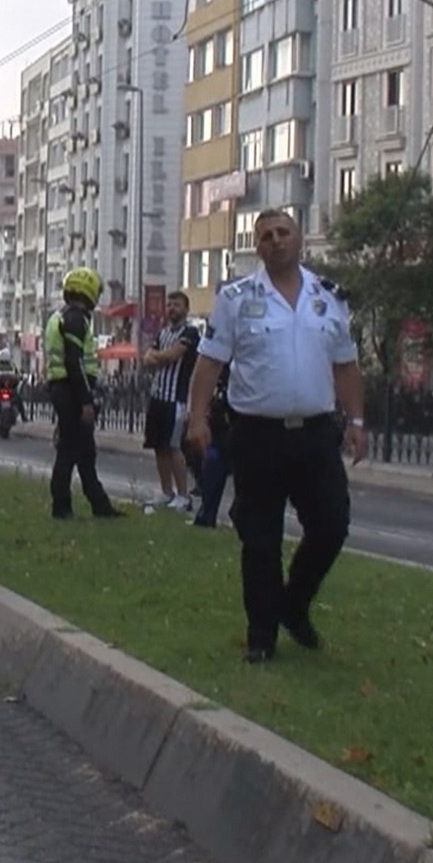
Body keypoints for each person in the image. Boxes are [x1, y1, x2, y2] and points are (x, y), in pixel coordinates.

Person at [185, 209, 365, 663]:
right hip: (256, 435)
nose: (276, 241)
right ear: (257, 247)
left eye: (283, 232)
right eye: (266, 236)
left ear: (299, 238)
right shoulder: (237, 298)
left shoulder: (328, 297)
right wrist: (197, 419)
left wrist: (357, 421)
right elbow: (209, 364)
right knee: (260, 538)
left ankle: (294, 604)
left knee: (331, 525)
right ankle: (261, 635)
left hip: (315, 435)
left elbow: (345, 365)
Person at [44, 268, 122, 520]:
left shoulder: (61, 316)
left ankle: (100, 505)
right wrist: (86, 401)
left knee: (85, 452)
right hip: (72, 391)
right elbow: (74, 362)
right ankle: (62, 507)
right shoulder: (76, 319)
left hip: (64, 390)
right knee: (69, 451)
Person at [142, 291, 201, 510]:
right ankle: (166, 491)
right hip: (157, 396)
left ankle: (183, 495)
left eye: (176, 305)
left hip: (176, 398)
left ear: (186, 309)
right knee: (158, 446)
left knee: (174, 446)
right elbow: (147, 358)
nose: (171, 309)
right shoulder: (163, 333)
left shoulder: (190, 332)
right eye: (169, 305)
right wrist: (157, 357)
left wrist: (157, 357)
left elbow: (171, 356)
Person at [190, 361, 233, 528]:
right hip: (220, 420)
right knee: (213, 463)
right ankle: (207, 511)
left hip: (238, 419)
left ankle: (233, 509)